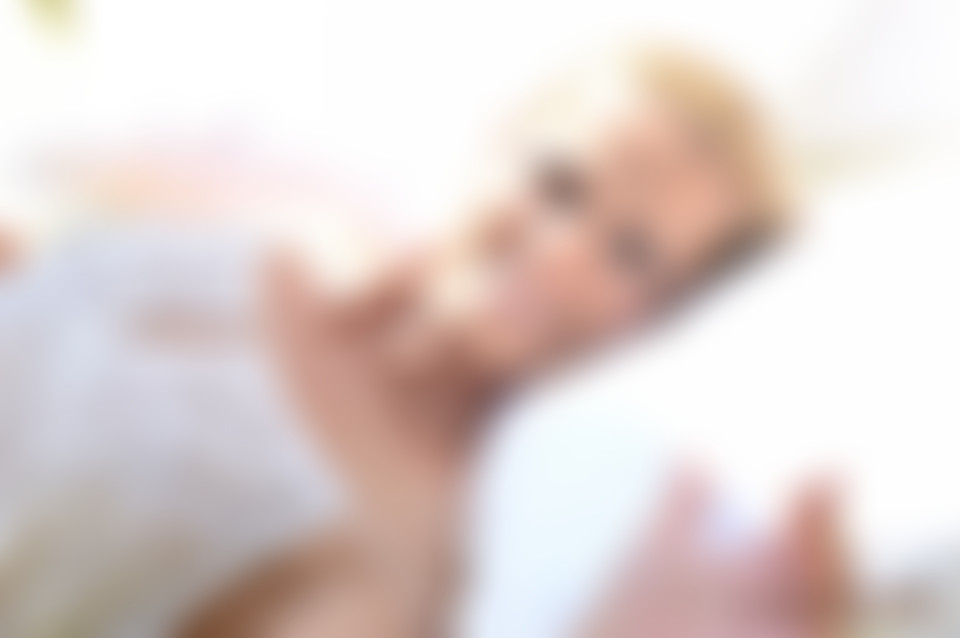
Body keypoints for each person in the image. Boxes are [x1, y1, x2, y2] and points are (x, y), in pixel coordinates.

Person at [0, 45, 843, 637]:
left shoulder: (408, 571)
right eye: (558, 182)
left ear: (653, 323)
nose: (561, 247)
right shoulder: (232, 225)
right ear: (497, 142)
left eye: (631, 254)